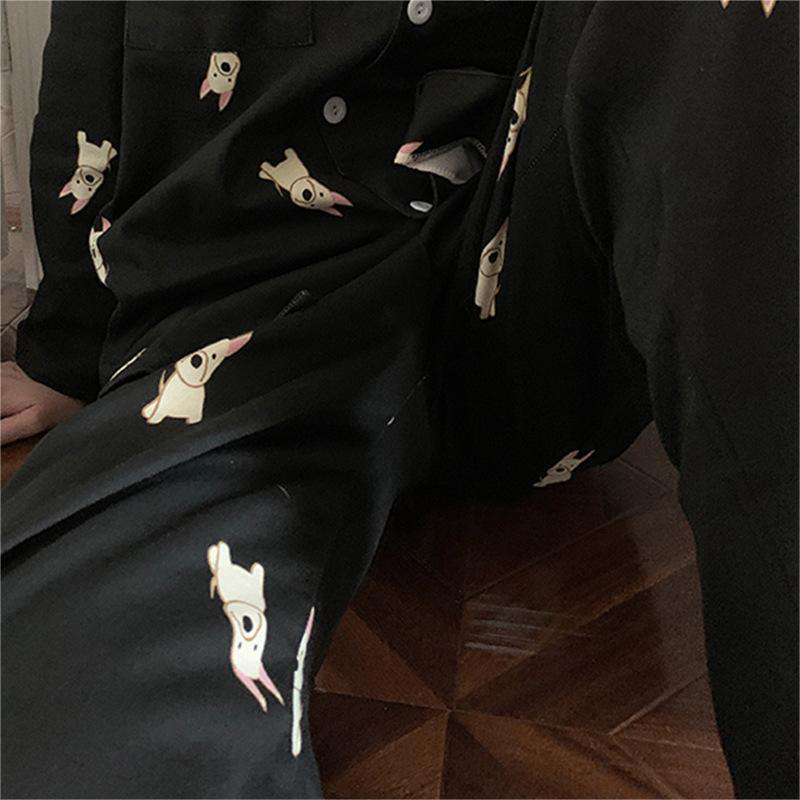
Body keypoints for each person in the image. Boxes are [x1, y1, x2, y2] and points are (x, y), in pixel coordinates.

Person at [2, 2, 797, 798]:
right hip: (237, 324)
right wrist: (64, 351)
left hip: (530, 282)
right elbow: (85, 70)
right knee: (67, 694)